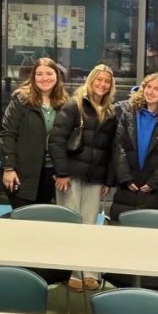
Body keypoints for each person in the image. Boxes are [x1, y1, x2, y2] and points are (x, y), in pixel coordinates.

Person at [49, 64, 118, 292]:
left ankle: (89, 273)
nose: (102, 84)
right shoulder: (74, 105)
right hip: (70, 176)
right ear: (91, 80)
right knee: (72, 226)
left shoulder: (111, 112)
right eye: (99, 80)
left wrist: (107, 180)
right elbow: (56, 141)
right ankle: (73, 273)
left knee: (90, 227)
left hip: (95, 179)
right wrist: (61, 172)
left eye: (106, 81)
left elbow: (111, 149)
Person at [110, 73, 158, 222]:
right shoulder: (128, 114)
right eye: (148, 87)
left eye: (157, 88)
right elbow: (118, 147)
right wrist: (125, 178)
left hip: (157, 191)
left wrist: (154, 183)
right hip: (127, 188)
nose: (150, 92)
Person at [0, 56, 67, 210]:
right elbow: (8, 134)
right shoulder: (21, 100)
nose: (45, 78)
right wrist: (9, 168)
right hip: (21, 172)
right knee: (22, 217)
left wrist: (63, 171)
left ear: (57, 76)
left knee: (41, 218)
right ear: (33, 77)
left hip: (50, 173)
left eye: (49, 74)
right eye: (40, 74)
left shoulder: (64, 104)